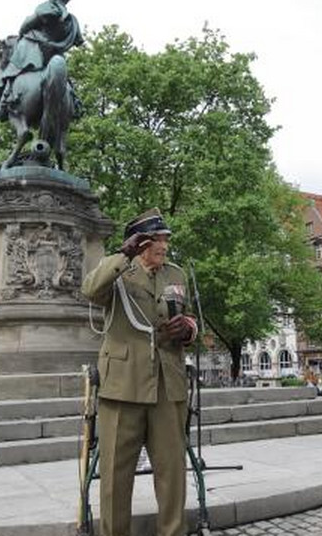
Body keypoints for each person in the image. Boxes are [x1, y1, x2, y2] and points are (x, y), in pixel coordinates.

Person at [82, 209, 198, 536]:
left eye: (165, 239)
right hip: (122, 385)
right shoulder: (118, 269)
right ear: (141, 242)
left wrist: (187, 329)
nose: (165, 245)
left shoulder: (175, 275)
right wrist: (123, 254)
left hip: (167, 382)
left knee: (172, 473)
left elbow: (186, 317)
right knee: (116, 476)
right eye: (158, 239)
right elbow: (90, 290)